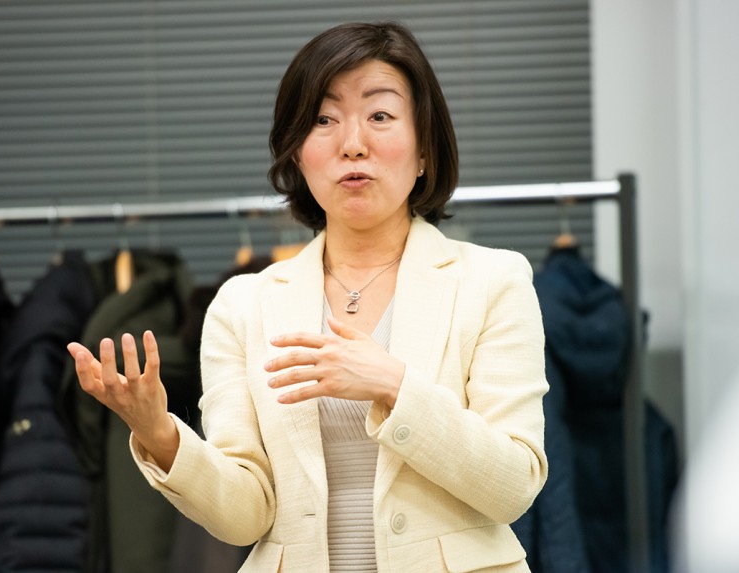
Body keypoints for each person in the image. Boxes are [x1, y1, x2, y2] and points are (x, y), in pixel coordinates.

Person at [67, 21, 548, 572]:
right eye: (323, 119)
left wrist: (393, 385)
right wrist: (158, 432)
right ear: (297, 154)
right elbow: (246, 517)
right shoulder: (244, 305)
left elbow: (514, 486)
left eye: (380, 115)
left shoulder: (493, 281)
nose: (353, 143)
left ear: (424, 151)